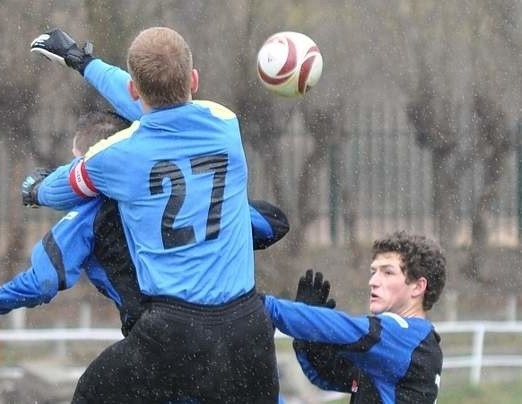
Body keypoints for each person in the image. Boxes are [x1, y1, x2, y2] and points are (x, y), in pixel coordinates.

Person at [27, 27, 279, 402]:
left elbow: (60, 191)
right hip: (247, 325)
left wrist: (34, 189)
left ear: (133, 89)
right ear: (194, 79)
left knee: (90, 394)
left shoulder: (115, 156)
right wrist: (85, 63)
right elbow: (158, 109)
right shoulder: (224, 122)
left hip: (175, 332)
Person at [264, 231, 446, 404]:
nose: (373, 281)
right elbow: (327, 373)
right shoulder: (400, 350)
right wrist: (308, 336)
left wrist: (264, 305)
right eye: (373, 272)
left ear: (418, 287)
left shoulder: (407, 336)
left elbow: (345, 329)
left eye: (388, 272)